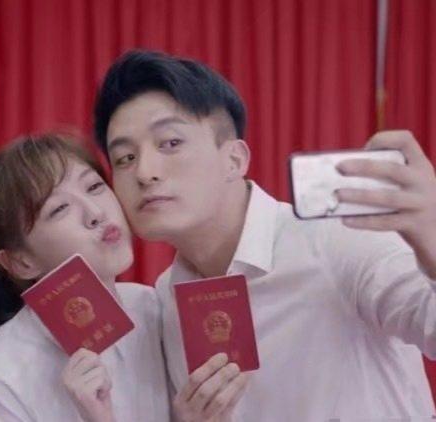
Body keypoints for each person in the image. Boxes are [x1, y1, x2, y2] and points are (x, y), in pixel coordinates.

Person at [93, 49, 436, 421]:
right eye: (125, 158)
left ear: (235, 160)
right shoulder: (166, 297)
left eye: (170, 143)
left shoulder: (334, 239)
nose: (145, 172)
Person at [0, 134, 240, 421]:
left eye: (95, 187)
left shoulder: (151, 308)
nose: (96, 212)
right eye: (59, 208)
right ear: (21, 262)